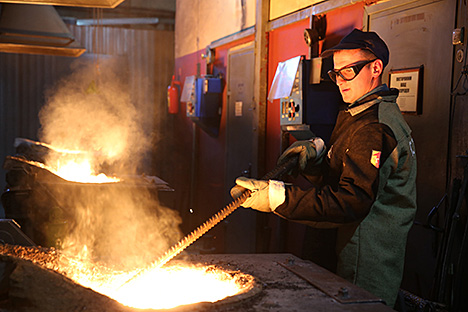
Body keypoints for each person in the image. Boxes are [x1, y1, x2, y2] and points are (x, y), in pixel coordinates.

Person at [231, 28, 417, 307]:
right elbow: (346, 178)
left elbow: (349, 202)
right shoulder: (358, 113)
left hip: (360, 268)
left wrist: (276, 198)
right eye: (335, 73)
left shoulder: (374, 126)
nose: (340, 81)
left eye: (348, 71)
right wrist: (316, 164)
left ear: (376, 67)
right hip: (343, 254)